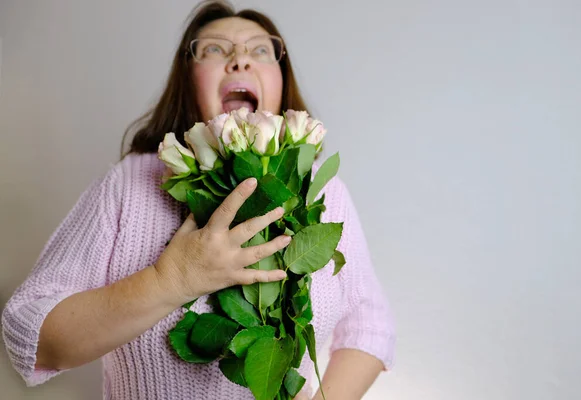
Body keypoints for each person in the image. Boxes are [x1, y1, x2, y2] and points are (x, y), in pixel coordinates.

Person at [1, 1, 396, 399]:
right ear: (188, 79)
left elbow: (371, 325)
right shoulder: (128, 185)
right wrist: (170, 281)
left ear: (282, 79)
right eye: (215, 49)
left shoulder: (323, 192)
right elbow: (30, 333)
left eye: (261, 49)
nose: (240, 59)